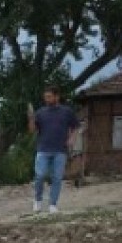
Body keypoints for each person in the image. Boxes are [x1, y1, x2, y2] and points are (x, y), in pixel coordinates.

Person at [28, 86, 81, 214]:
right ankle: (38, 201)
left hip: (60, 150)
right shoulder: (40, 112)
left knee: (57, 178)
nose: (47, 99)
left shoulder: (67, 111)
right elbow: (32, 130)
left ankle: (52, 204)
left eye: (49, 96)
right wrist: (31, 118)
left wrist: (72, 139)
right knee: (39, 176)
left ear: (57, 96)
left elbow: (75, 127)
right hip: (43, 149)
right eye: (45, 97)